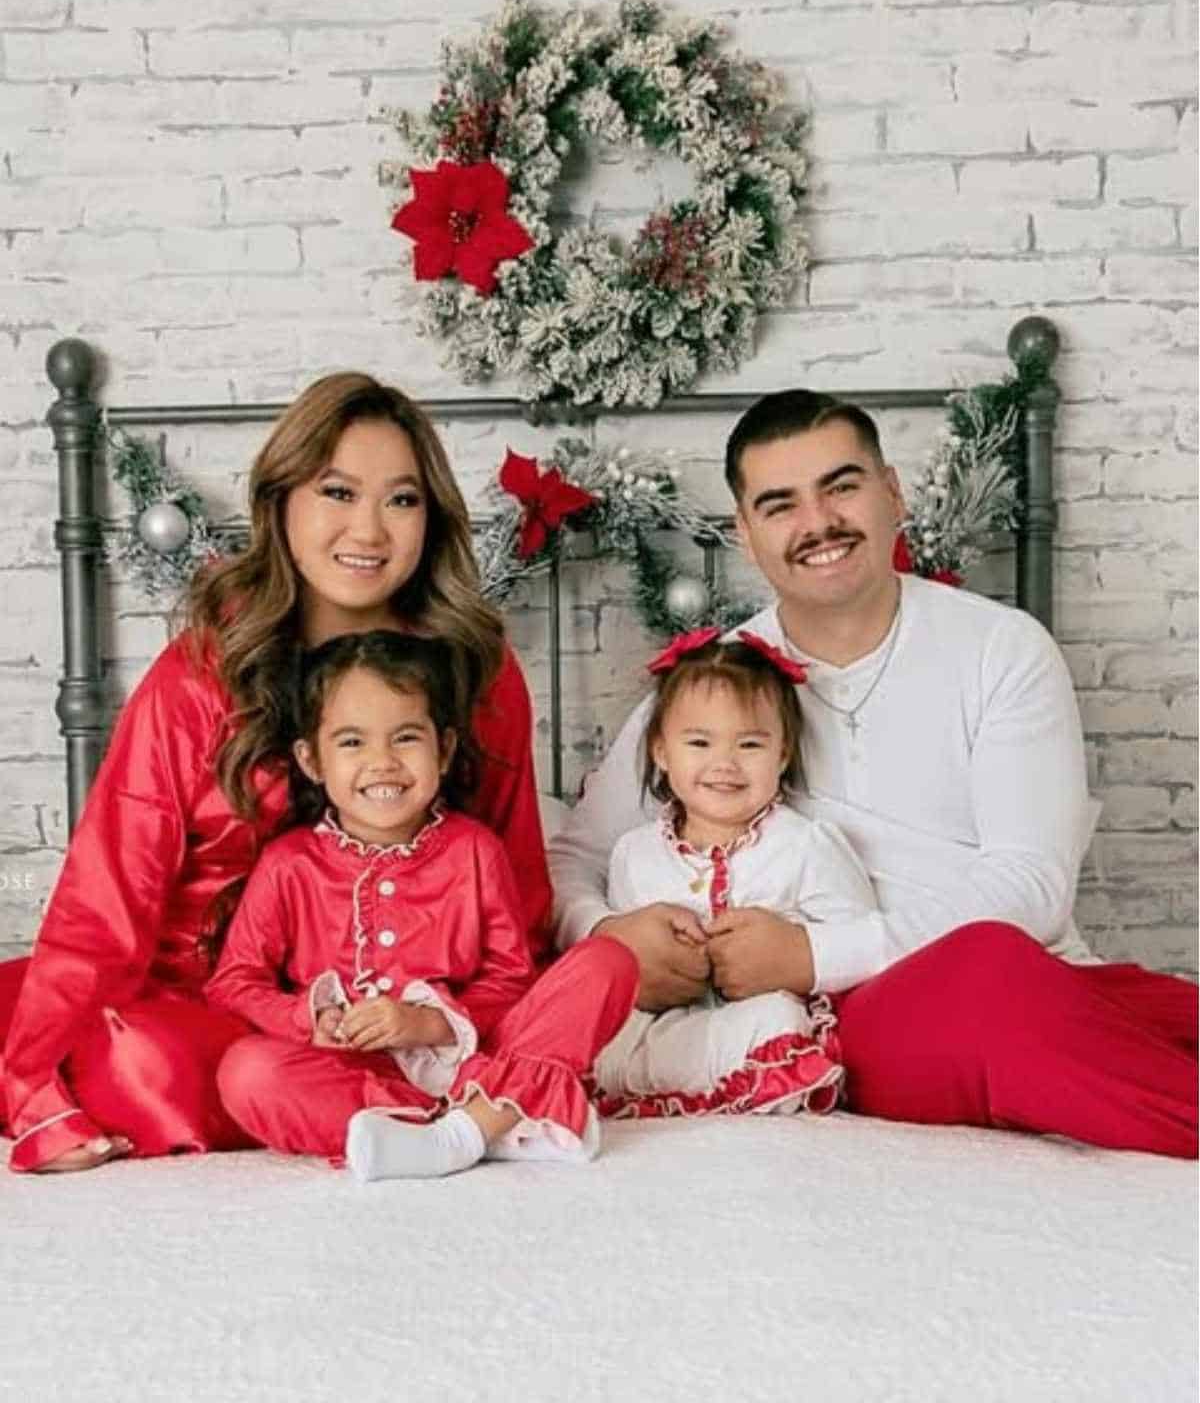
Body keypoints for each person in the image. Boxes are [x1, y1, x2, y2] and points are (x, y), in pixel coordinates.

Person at [550, 389, 1199, 1159]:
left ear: (893, 494)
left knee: (1152, 1009)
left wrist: (812, 951)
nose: (818, 523)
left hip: (1037, 972)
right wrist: (613, 938)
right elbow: (572, 859)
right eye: (780, 503)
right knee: (991, 983)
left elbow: (1032, 887)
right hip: (860, 1018)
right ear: (748, 535)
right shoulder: (711, 692)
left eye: (842, 486)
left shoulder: (1000, 649)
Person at [2, 373, 555, 1175]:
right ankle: (388, 1111)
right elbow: (108, 892)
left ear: (431, 519)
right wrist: (33, 1091)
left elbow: (518, 881)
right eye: (337, 491)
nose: (368, 528)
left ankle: (444, 1109)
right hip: (218, 1001)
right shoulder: (201, 673)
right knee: (106, 1042)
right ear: (281, 499)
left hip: (417, 1011)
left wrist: (479, 1021)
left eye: (402, 500)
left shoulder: (477, 667)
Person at [207, 632, 637, 1180]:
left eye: (406, 737)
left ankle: (471, 1124)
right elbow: (235, 981)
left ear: (446, 749)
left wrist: (429, 1024)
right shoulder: (288, 863)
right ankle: (477, 1126)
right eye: (352, 742)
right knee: (248, 1074)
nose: (382, 763)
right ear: (311, 759)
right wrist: (310, 1019)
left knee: (607, 961)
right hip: (355, 1074)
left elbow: (510, 980)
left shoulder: (474, 849)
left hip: (473, 1058)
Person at [592, 627, 876, 1119]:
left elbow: (858, 946)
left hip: (755, 1017)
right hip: (665, 1025)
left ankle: (727, 1071)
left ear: (782, 754)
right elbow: (623, 970)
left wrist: (790, 946)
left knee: (779, 1021)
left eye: (749, 745)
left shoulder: (805, 844)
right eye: (699, 742)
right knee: (600, 1031)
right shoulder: (633, 854)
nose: (724, 763)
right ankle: (678, 1070)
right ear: (662, 752)